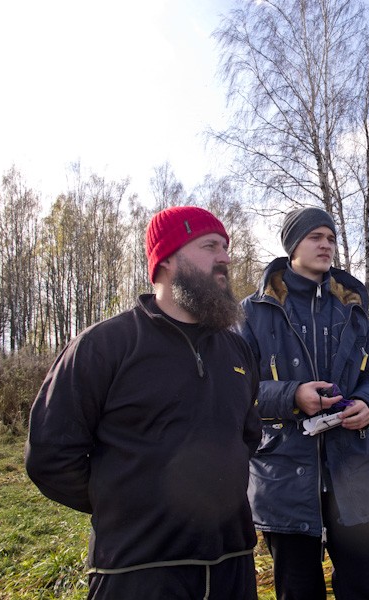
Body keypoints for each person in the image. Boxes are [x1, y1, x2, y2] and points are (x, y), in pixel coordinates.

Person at [25, 206, 262, 600]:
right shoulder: (104, 346)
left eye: (225, 246)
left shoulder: (237, 350)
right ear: (166, 258)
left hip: (231, 562)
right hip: (137, 568)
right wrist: (126, 504)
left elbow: (247, 436)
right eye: (210, 245)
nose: (225, 257)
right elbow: (50, 455)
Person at [239, 206, 369, 600]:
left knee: (366, 587)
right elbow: (235, 390)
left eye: (331, 238)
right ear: (292, 247)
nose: (326, 245)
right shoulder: (253, 312)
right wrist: (291, 396)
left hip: (351, 475)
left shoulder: (351, 307)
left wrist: (368, 405)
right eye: (315, 237)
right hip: (284, 479)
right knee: (299, 592)